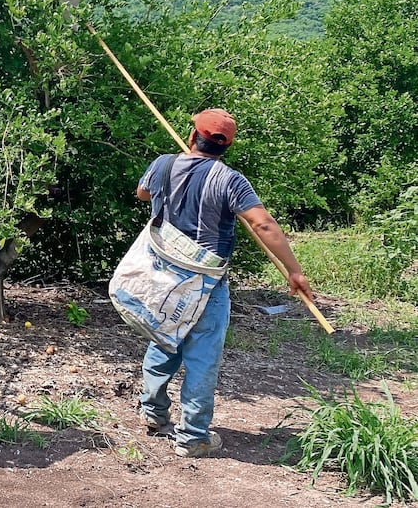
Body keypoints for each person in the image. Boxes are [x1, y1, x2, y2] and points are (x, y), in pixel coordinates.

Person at [134, 108, 313, 457]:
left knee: (163, 337)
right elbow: (262, 224)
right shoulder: (230, 180)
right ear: (225, 146)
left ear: (192, 136)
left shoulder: (163, 164)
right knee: (201, 355)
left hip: (162, 277)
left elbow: (143, 193)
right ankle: (193, 436)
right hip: (205, 284)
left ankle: (154, 413)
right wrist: (294, 270)